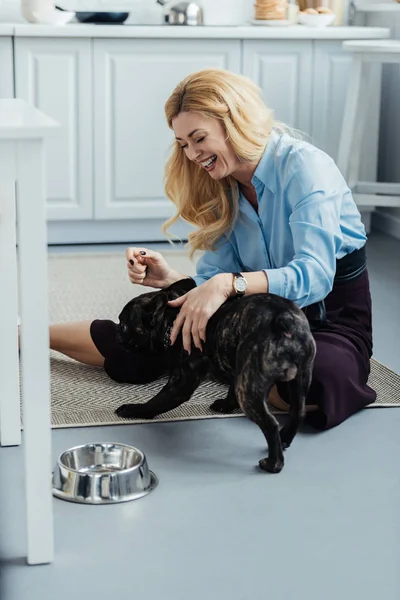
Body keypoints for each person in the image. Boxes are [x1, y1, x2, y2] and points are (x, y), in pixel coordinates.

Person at [49, 68, 376, 431]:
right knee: (138, 345)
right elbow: (214, 278)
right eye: (183, 143)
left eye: (198, 137)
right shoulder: (223, 184)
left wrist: (225, 285)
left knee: (318, 380)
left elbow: (314, 276)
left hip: (326, 319)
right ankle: (22, 334)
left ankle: (227, 369)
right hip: (252, 319)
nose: (191, 154)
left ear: (233, 122)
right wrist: (172, 280)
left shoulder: (305, 167)